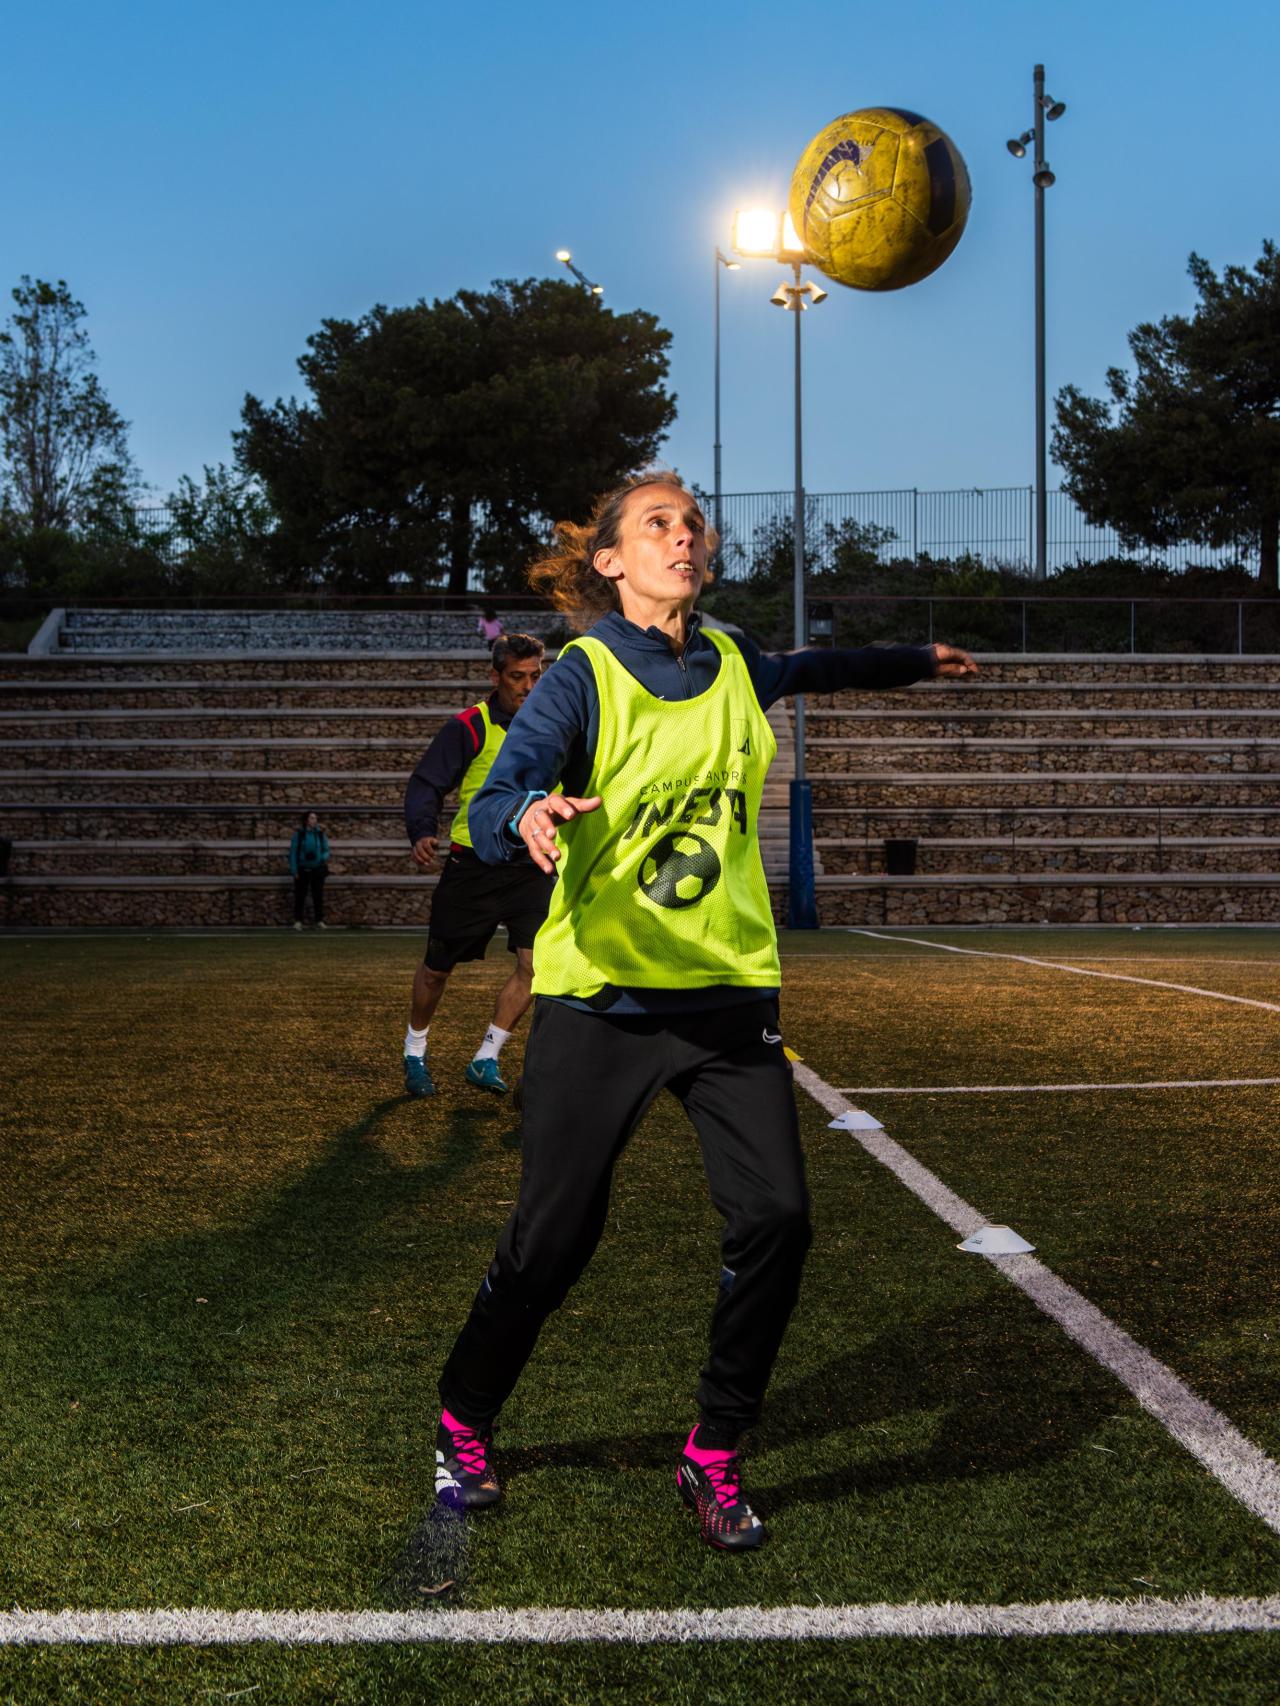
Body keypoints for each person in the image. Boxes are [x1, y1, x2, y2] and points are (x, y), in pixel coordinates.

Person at [430, 472, 978, 1550]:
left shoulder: (734, 660)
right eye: (655, 523)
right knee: (551, 1240)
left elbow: (818, 665)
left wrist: (914, 660)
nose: (681, 535)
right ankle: (461, 1417)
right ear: (609, 561)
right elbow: (506, 783)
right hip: (605, 999)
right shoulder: (580, 676)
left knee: (777, 1215)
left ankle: (713, 1450)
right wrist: (523, 814)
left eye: (690, 523)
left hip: (726, 996)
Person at [402, 633, 553, 1098]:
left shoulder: (556, 725)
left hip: (532, 865)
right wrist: (423, 829)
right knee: (437, 969)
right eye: (517, 677)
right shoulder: (469, 727)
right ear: (495, 676)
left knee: (537, 965)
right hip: (473, 865)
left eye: (535, 676)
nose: (528, 686)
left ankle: (487, 1056)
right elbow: (427, 782)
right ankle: (414, 1049)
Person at [289, 810, 329, 930]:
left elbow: (326, 850)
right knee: (300, 896)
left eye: (315, 818)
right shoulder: (299, 835)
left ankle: (319, 920)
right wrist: (294, 870)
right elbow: (293, 853)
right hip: (303, 869)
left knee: (318, 896)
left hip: (317, 869)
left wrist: (321, 858)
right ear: (306, 820)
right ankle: (298, 921)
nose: (314, 820)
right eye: (312, 818)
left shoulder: (321, 834)